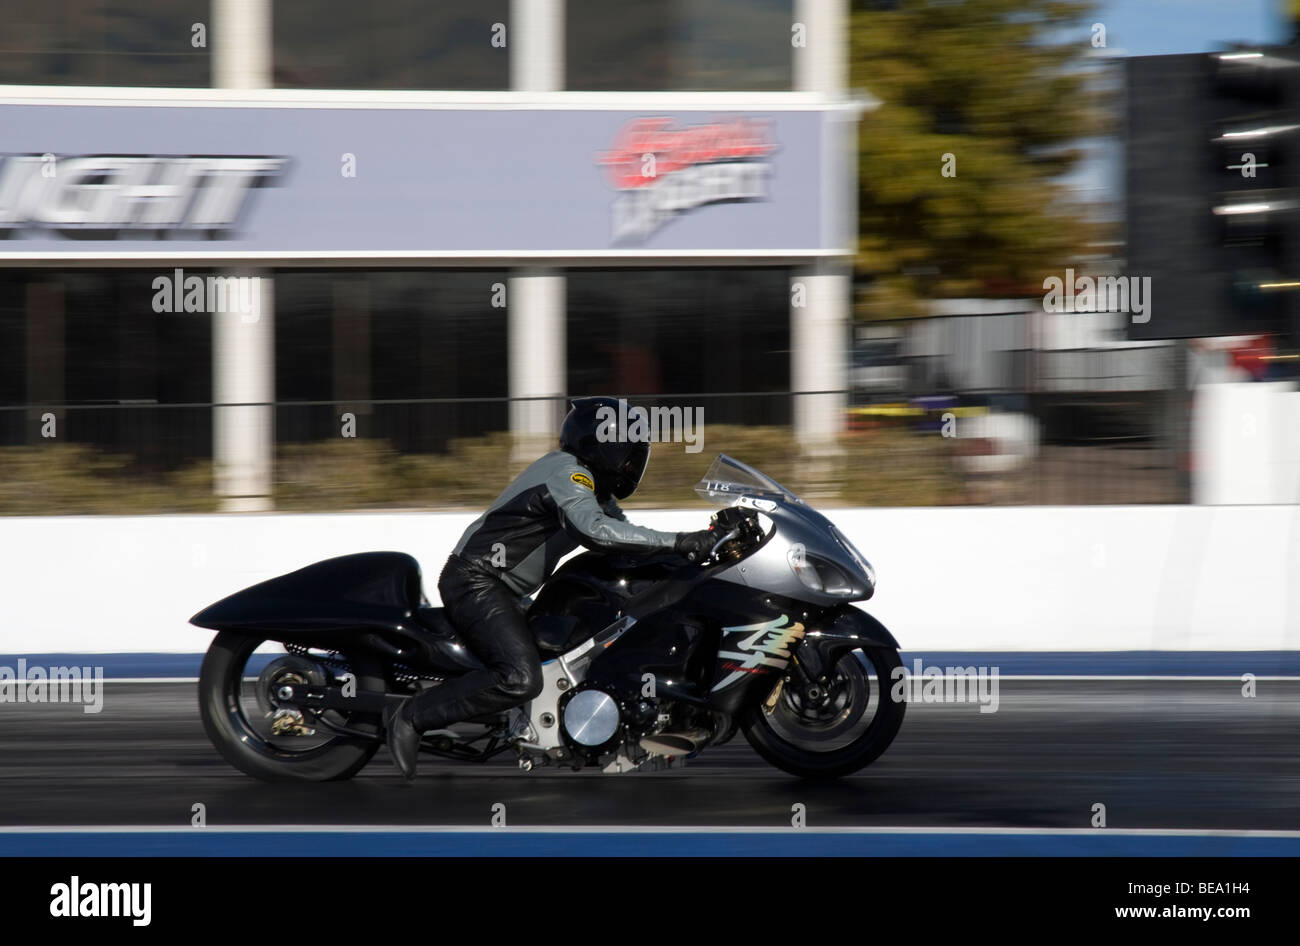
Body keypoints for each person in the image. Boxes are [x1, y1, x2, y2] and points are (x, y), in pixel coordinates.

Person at [384, 396, 716, 779]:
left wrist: (698, 550)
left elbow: (626, 539)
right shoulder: (569, 474)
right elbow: (598, 532)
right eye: (629, 453)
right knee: (519, 677)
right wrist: (681, 542)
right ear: (603, 445)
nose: (632, 464)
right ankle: (410, 715)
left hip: (504, 588)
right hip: (476, 581)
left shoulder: (593, 490)